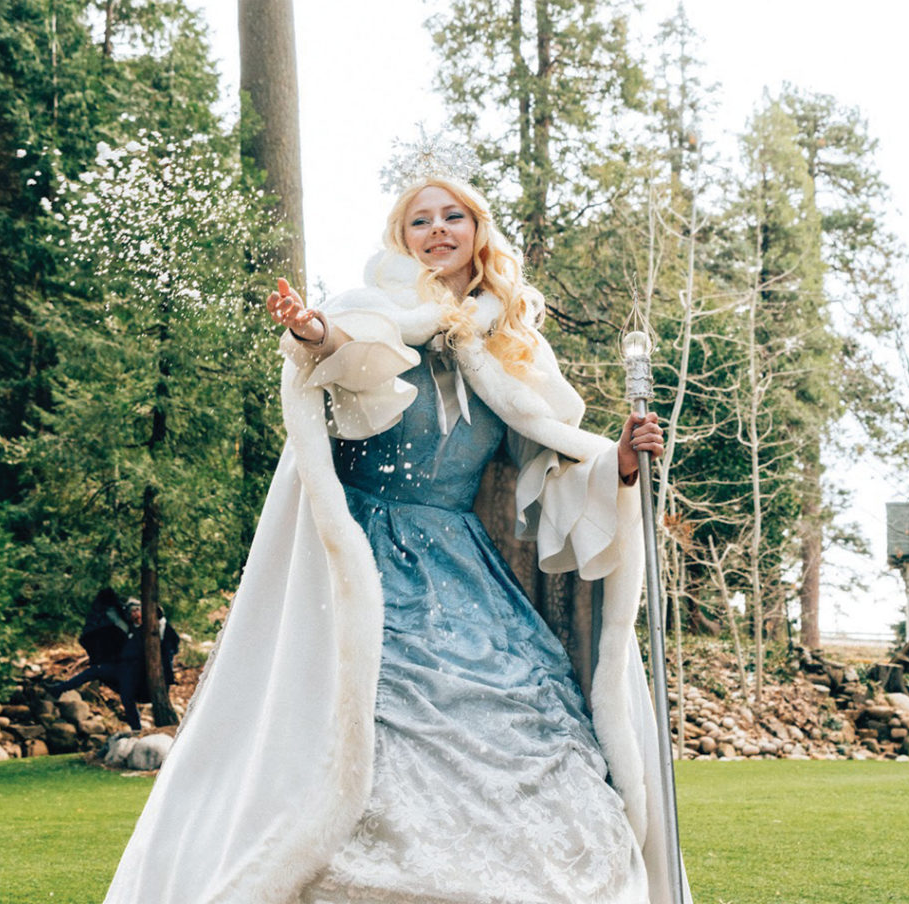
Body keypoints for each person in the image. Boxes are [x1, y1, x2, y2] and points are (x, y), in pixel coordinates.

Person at [103, 141, 689, 904]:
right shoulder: (367, 312)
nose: (437, 229)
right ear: (402, 237)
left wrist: (622, 460)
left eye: (454, 216)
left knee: (524, 724)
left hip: (467, 574)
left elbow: (553, 461)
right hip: (366, 560)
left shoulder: (515, 347)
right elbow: (348, 360)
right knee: (363, 727)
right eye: (421, 220)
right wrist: (312, 333)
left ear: (478, 232)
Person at [48, 594, 179, 732]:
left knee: (127, 697)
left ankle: (136, 729)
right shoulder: (129, 628)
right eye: (132, 612)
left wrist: (159, 615)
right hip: (120, 667)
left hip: (137, 671)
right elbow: (114, 617)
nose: (135, 614)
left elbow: (165, 632)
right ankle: (59, 689)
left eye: (137, 610)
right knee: (94, 671)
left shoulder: (151, 628)